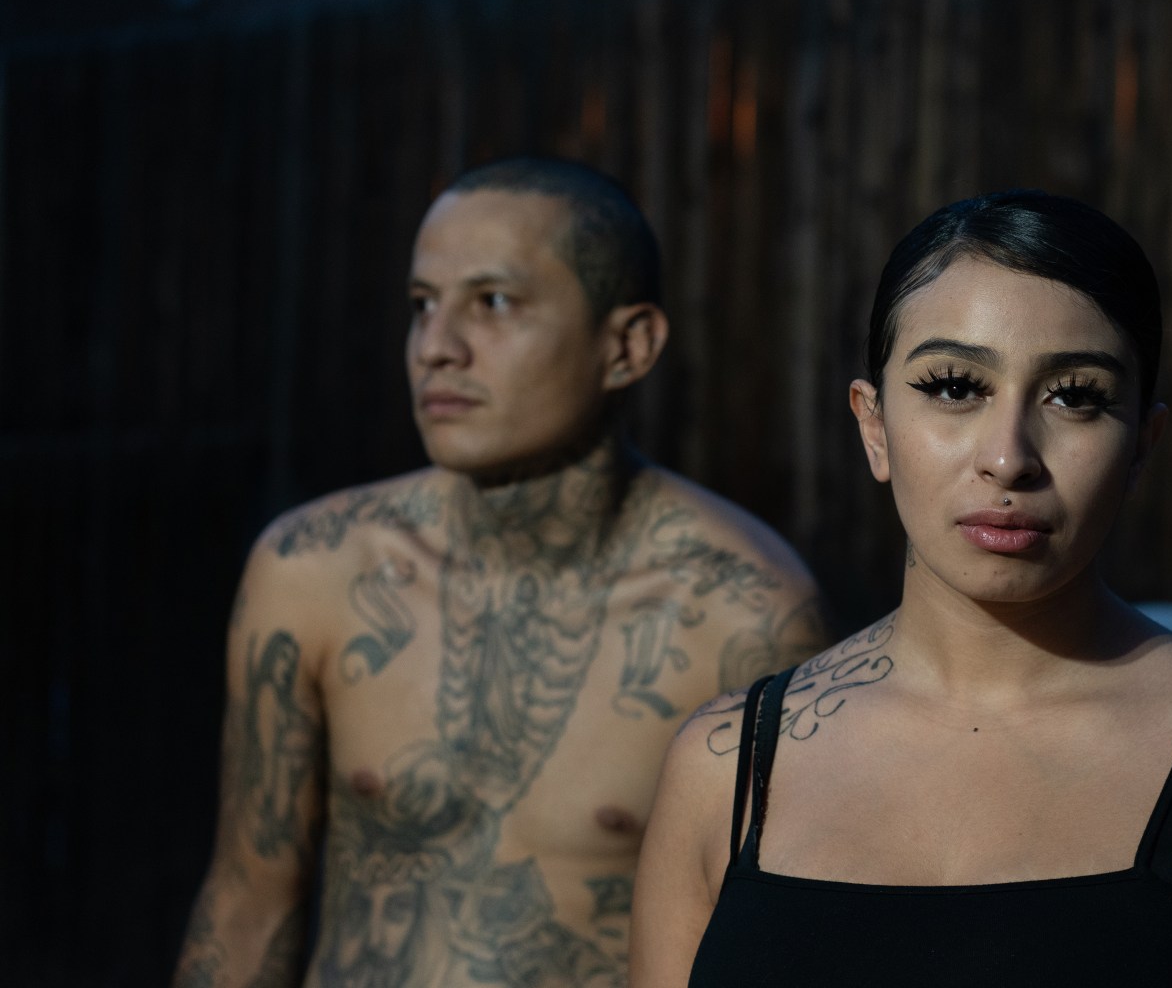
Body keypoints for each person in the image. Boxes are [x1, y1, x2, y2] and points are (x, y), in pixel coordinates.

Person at [631, 190, 1172, 986]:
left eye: (1076, 397)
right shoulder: (725, 770)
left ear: (1143, 445)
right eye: (954, 386)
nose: (1009, 458)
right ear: (873, 425)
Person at [174, 158, 831, 987]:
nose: (436, 348)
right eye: (422, 305)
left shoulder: (742, 615)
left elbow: (785, 953)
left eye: (492, 303)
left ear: (627, 346)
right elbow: (248, 905)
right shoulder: (315, 569)